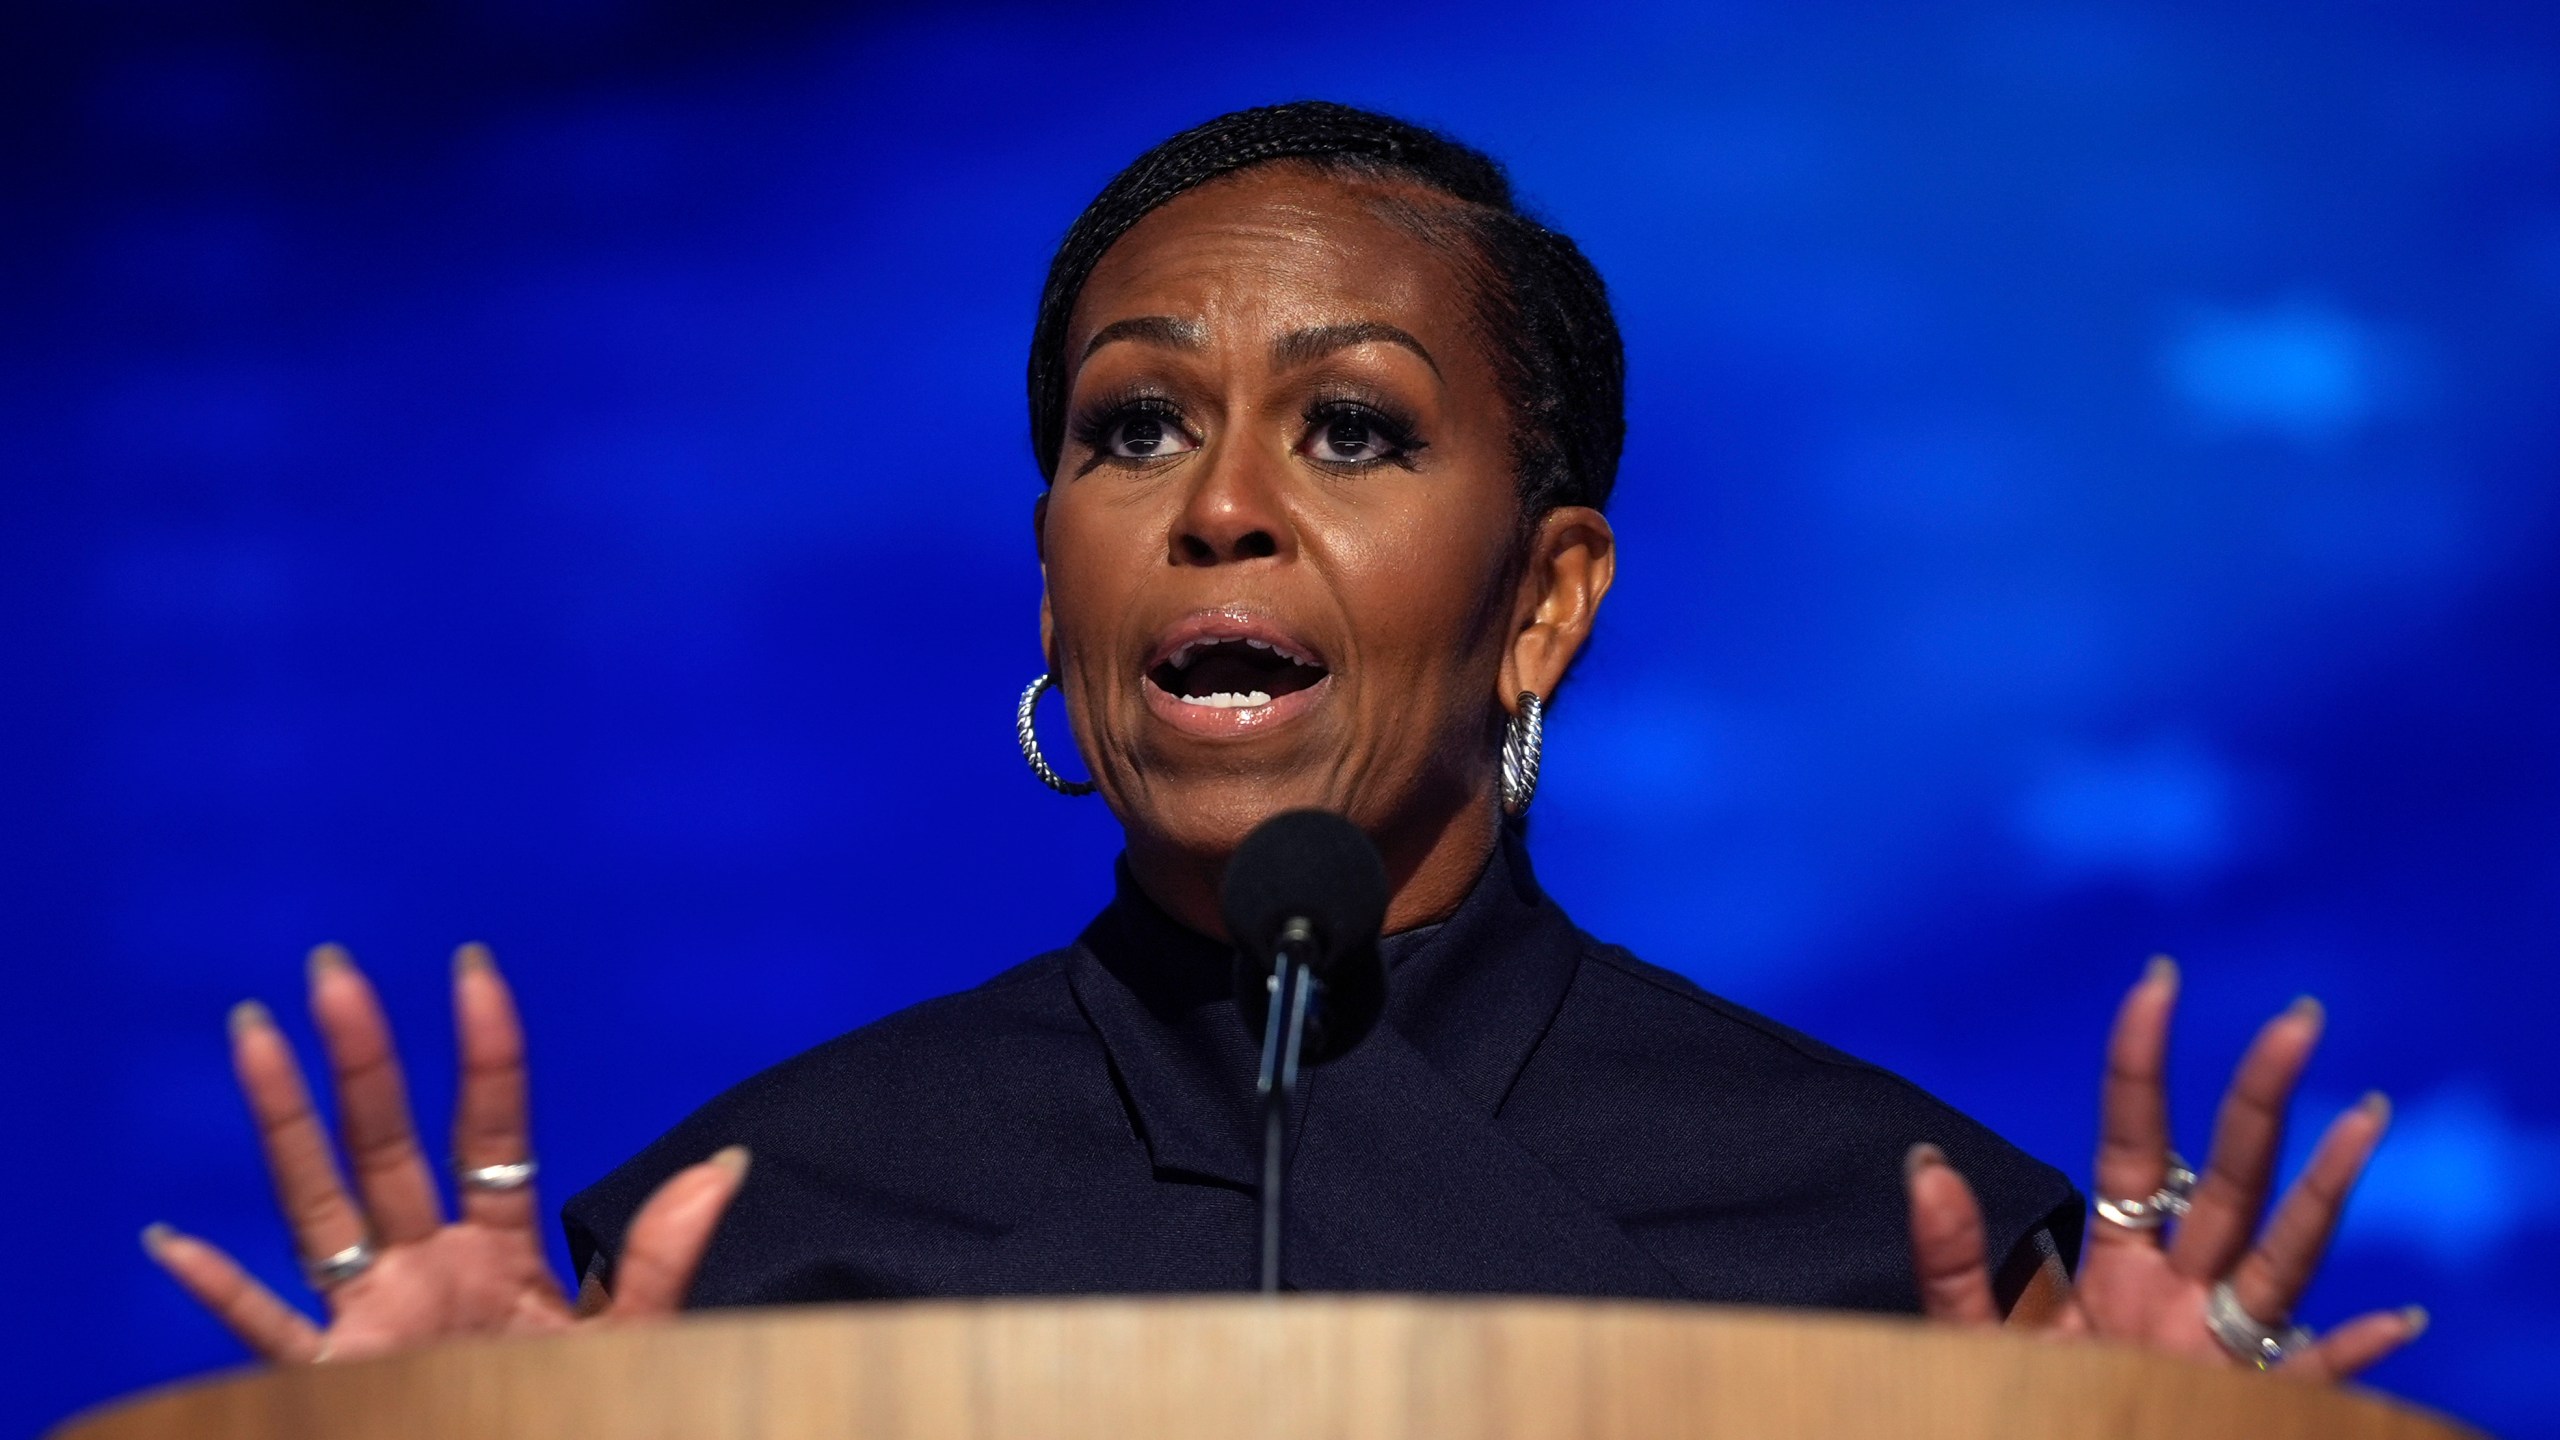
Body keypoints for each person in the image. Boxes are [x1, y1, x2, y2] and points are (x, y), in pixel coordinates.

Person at [142, 102, 2422, 1380]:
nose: (1220, 502)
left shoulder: (1905, 1255)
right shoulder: (728, 1256)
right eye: (1135, 428)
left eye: (1349, 428)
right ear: (1055, 585)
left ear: (1543, 600)